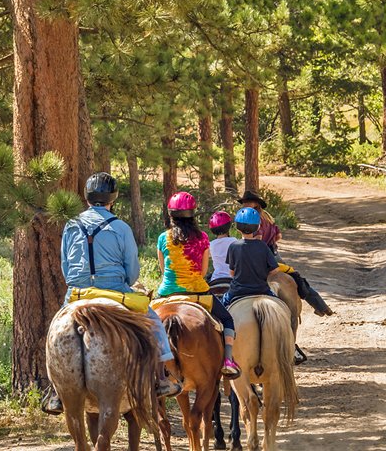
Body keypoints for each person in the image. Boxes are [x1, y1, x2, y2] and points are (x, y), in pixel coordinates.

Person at [43, 173, 182, 415]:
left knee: (54, 330)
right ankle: (161, 377)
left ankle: (55, 390)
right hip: (114, 290)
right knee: (153, 321)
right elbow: (132, 272)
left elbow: (66, 267)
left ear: (87, 198)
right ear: (113, 198)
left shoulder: (71, 225)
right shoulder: (120, 227)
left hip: (78, 293)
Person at [155, 192, 241, 378]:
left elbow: (163, 270)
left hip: (168, 293)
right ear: (192, 214)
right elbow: (202, 272)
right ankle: (227, 360)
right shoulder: (202, 238)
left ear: (170, 214)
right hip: (198, 292)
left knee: (142, 324)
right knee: (227, 320)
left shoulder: (163, 238)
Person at [237, 190, 334, 316]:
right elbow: (279, 236)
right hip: (273, 253)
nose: (244, 204)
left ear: (255, 203)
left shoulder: (253, 219)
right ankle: (320, 305)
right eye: (244, 202)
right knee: (295, 277)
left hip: (260, 254)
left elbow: (258, 241)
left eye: (247, 202)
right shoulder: (268, 217)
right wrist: (270, 241)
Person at [222, 207, 281, 307]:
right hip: (262, 289)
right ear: (258, 227)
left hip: (237, 291)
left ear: (237, 227)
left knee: (221, 310)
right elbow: (275, 269)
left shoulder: (233, 246)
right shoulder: (263, 246)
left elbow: (232, 273)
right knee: (281, 305)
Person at [207, 211, 237, 294]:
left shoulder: (211, 245)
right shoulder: (234, 241)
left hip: (215, 279)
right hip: (232, 278)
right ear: (228, 226)